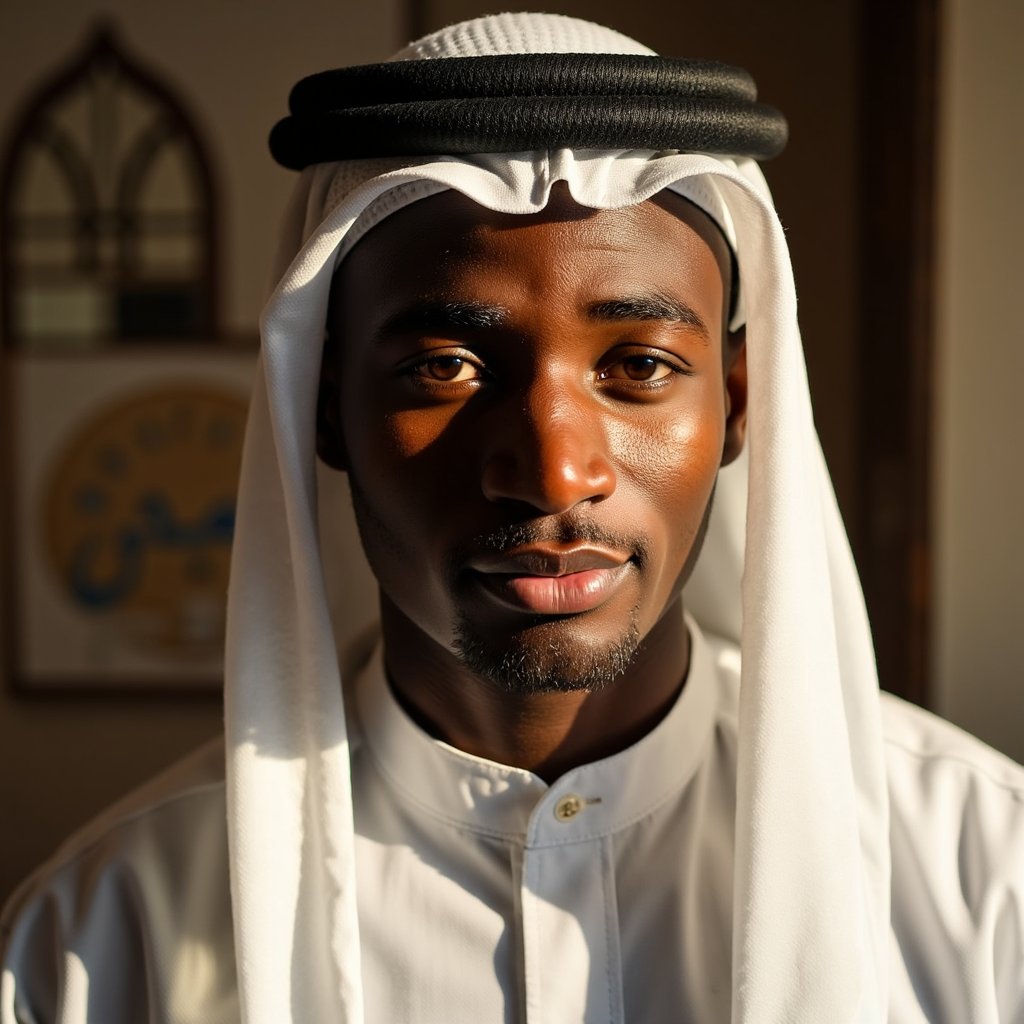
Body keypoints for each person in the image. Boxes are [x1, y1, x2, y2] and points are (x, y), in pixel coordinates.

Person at [2, 12, 1023, 1024]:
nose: (552, 471)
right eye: (446, 367)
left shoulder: (984, 877)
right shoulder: (98, 939)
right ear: (320, 404)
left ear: (740, 403)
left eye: (640, 367)